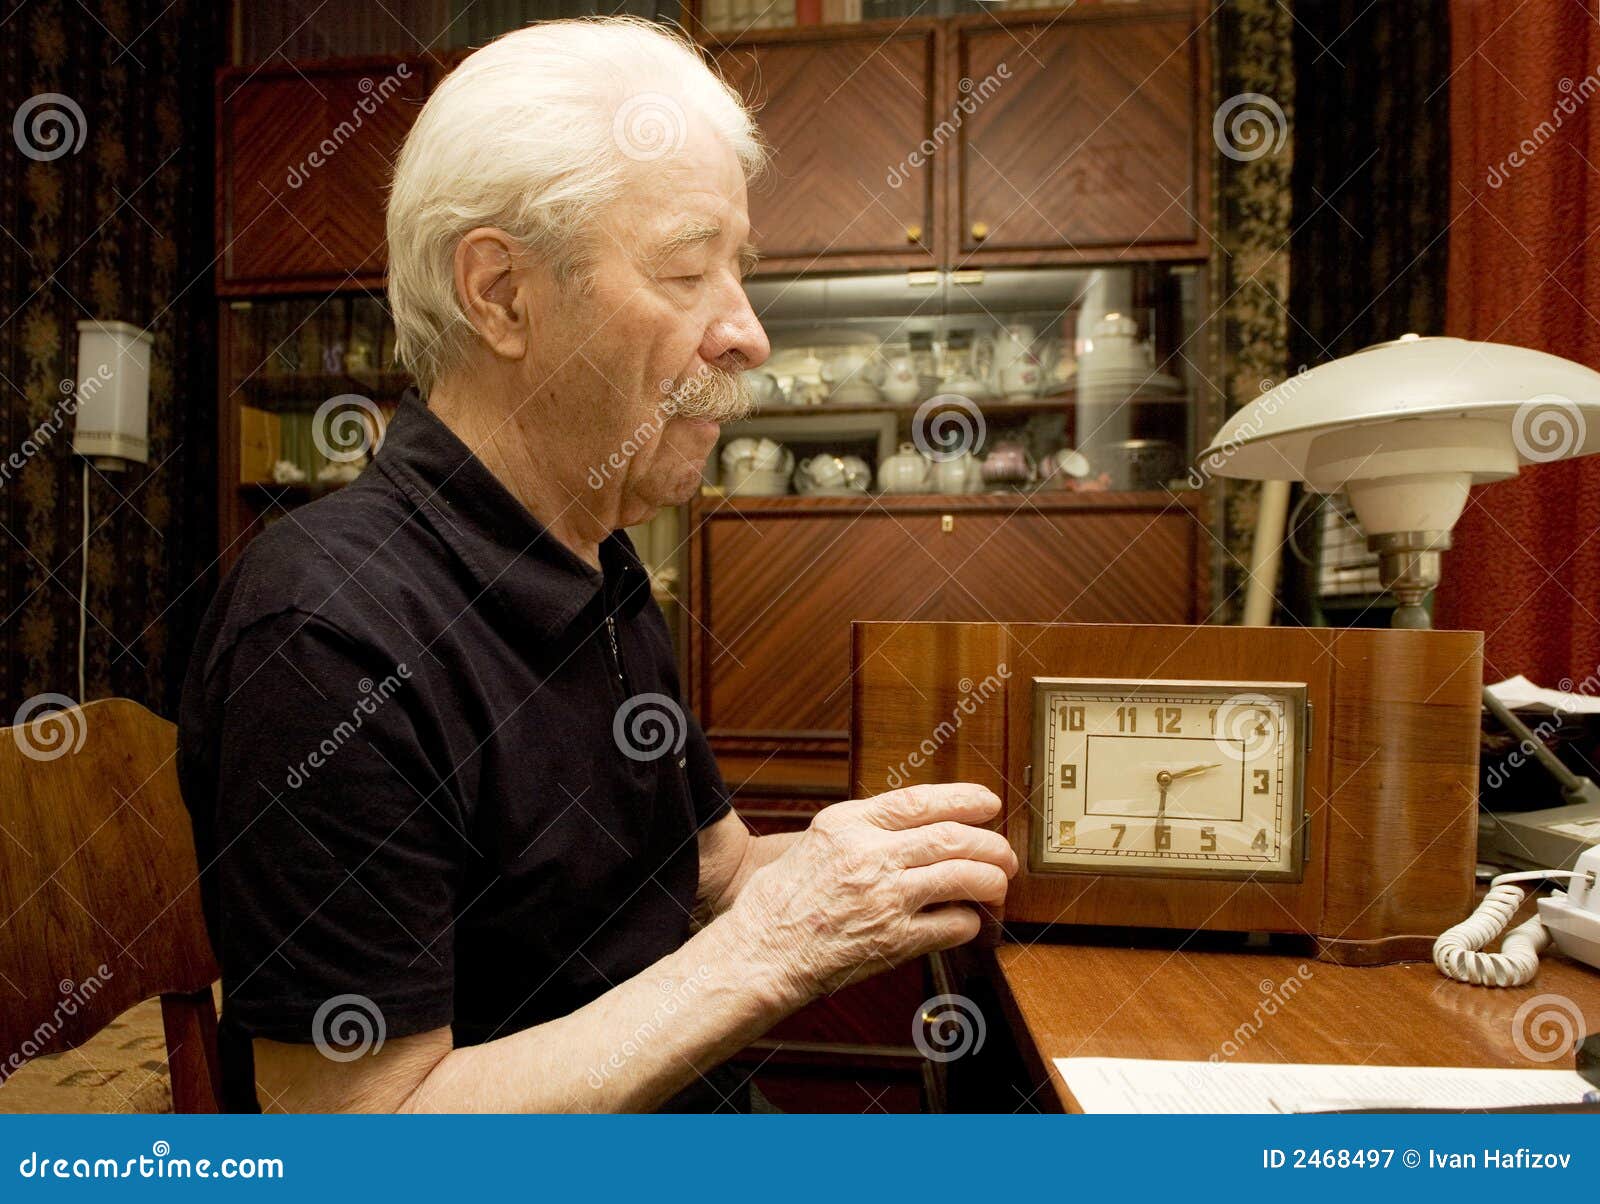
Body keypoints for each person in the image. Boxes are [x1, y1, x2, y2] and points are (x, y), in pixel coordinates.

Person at [178, 16, 1016, 1114]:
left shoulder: (595, 560)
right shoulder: (326, 634)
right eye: (684, 268)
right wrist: (772, 951)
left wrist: (853, 863)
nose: (748, 334)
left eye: (740, 270)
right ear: (501, 295)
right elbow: (355, 1136)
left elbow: (706, 874)